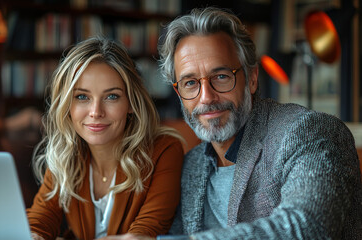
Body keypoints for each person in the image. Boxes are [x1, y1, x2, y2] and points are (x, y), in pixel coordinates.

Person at [102, 7, 362, 240]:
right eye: (190, 83)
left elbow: (307, 227)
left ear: (251, 78)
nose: (207, 98)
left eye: (222, 76)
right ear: (179, 92)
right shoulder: (191, 165)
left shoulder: (309, 132)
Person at [27, 37, 184, 240]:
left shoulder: (164, 151)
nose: (95, 112)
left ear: (131, 103)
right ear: (67, 105)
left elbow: (143, 235)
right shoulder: (66, 154)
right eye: (82, 96)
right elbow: (39, 221)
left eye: (112, 96)